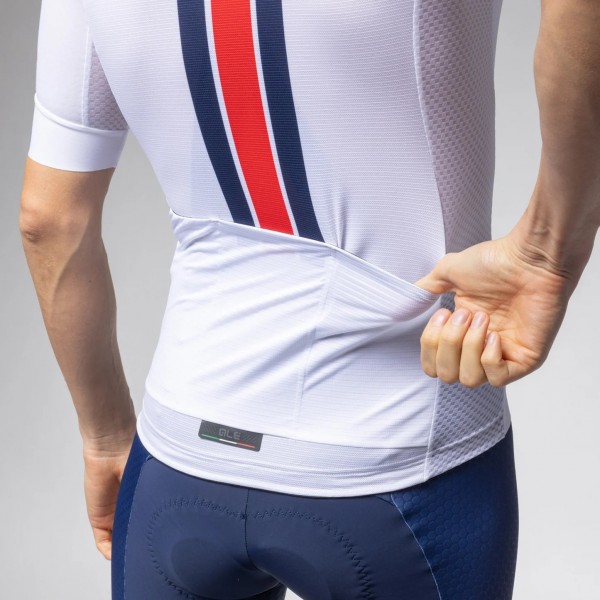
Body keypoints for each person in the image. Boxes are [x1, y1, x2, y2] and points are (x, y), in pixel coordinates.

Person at [18, 0, 599, 598]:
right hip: (398, 453)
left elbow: (50, 220)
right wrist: (548, 250)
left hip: (179, 456)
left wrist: (105, 436)